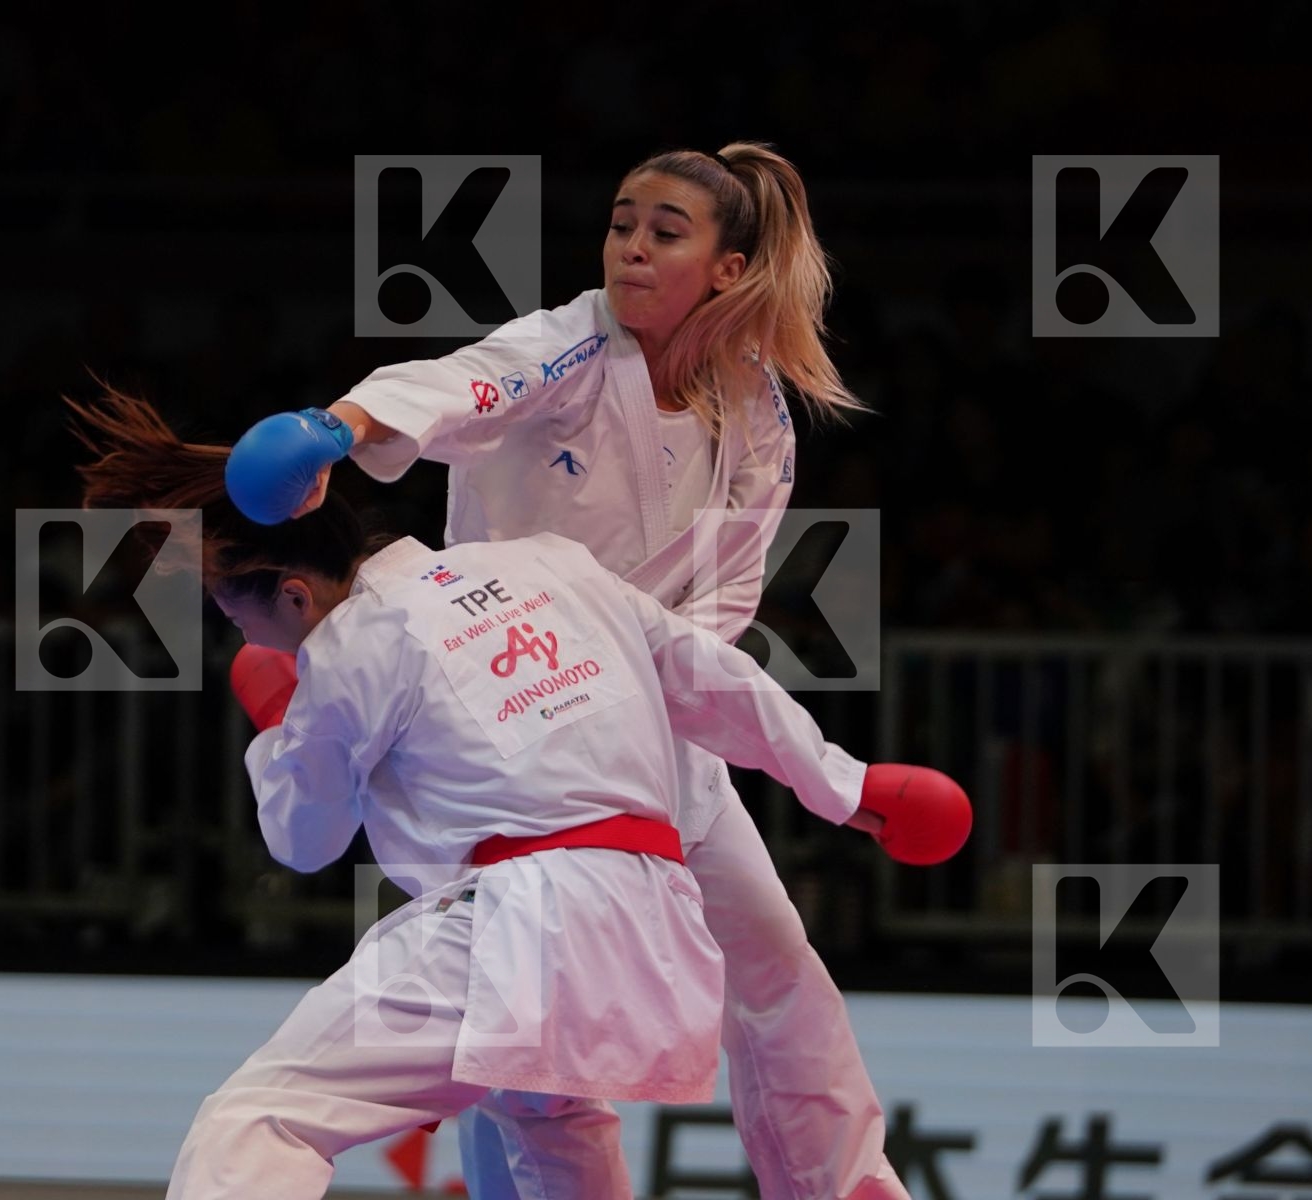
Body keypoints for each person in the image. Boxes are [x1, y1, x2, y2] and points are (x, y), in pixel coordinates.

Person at [226, 142, 921, 1199]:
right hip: (501, 715)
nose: (631, 249)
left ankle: (845, 1191)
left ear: (728, 269)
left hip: (648, 716)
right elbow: (462, 383)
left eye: (664, 232)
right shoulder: (570, 349)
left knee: (779, 968)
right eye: (621, 223)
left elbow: (726, 600)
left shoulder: (761, 411)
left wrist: (680, 710)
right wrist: (340, 428)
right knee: (522, 1043)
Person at [68, 390, 967, 1200]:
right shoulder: (551, 564)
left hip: (518, 927)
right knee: (545, 1121)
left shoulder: (345, 649)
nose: (244, 634)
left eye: (238, 617)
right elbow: (710, 678)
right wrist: (847, 785)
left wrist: (277, 721)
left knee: (262, 1117)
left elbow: (302, 842)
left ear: (295, 595)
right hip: (654, 921)